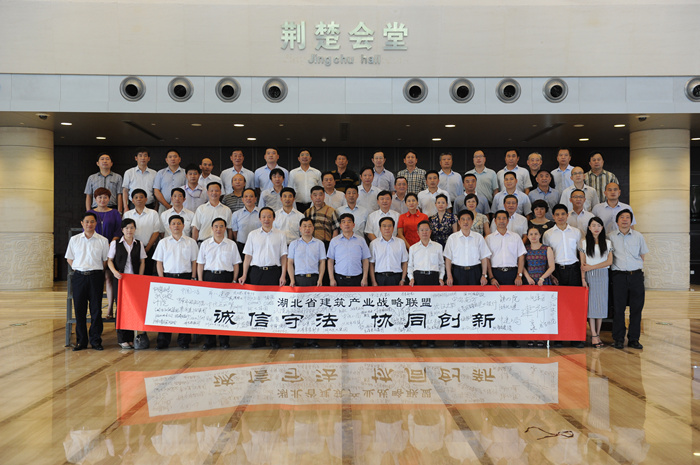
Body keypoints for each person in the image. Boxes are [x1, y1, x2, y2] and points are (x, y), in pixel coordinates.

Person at [238, 207, 288, 348]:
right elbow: (248, 256)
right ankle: (259, 338)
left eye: (269, 216)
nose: (266, 219)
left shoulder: (280, 235)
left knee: (274, 305)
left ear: (274, 218)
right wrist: (244, 274)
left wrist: (283, 275)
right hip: (256, 272)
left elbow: (283, 257)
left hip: (274, 272)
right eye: (264, 217)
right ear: (260, 219)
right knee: (257, 305)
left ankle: (274, 338)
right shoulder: (253, 235)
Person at [443, 210, 490, 347]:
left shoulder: (478, 237)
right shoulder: (452, 238)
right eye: (462, 219)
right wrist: (449, 275)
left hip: (475, 272)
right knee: (459, 305)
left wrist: (484, 275)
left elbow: (484, 258)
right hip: (458, 272)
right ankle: (459, 338)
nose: (465, 222)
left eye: (468, 219)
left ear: (472, 221)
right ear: (459, 222)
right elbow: (448, 259)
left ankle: (475, 338)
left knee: (475, 305)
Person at [153, 215, 199, 349]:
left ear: (183, 226)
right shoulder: (163, 242)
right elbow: (159, 262)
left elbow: (194, 261)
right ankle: (163, 341)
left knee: (185, 310)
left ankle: (184, 341)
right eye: (173, 223)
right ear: (169, 226)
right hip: (168, 278)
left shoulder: (191, 242)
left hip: (186, 277)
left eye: (179, 223)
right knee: (166, 311)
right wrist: (162, 279)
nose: (176, 226)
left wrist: (193, 277)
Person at [65, 211, 109, 351]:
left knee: (96, 310)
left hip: (96, 277)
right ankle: (81, 342)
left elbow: (105, 260)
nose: (89, 224)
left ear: (96, 223)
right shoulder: (75, 240)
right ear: (82, 223)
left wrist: (95, 271)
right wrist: (79, 268)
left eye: (92, 221)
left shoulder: (103, 240)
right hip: (79, 277)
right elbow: (69, 258)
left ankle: (96, 341)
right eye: (87, 222)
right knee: (79, 310)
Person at [197, 217, 242, 350]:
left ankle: (224, 340)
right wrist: (200, 281)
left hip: (225, 277)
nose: (218, 229)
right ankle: (209, 340)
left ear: (225, 228)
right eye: (216, 226)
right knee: (209, 310)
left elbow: (236, 264)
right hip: (209, 277)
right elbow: (200, 264)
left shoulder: (231, 244)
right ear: (212, 228)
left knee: (225, 309)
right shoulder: (205, 244)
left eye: (221, 226)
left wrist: (234, 280)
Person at [327, 213, 371, 347]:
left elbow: (365, 260)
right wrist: (331, 278)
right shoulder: (334, 241)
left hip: (357, 279)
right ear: (340, 225)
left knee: (356, 309)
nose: (346, 224)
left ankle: (357, 339)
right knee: (340, 309)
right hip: (339, 279)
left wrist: (365, 277)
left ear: (354, 225)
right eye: (344, 222)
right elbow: (330, 261)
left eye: (349, 221)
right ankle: (340, 339)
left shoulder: (361, 240)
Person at [485, 210, 527, 347]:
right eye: (499, 218)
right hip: (496, 274)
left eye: (504, 218)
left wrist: (519, 275)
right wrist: (491, 277)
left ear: (508, 221)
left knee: (511, 306)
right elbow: (487, 259)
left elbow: (521, 256)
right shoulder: (489, 238)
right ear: (495, 221)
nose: (502, 221)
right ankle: (495, 338)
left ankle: (512, 338)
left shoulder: (515, 237)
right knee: (495, 307)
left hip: (512, 273)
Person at [543, 204, 583, 348]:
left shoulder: (576, 232)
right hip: (557, 271)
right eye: (557, 214)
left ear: (567, 215)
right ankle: (559, 338)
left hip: (574, 270)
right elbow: (546, 256)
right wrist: (551, 275)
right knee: (558, 306)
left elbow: (581, 253)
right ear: (553, 217)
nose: (560, 217)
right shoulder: (548, 234)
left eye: (563, 214)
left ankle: (575, 338)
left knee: (574, 305)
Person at [608, 210, 648, 350]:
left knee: (636, 308)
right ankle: (618, 339)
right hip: (618, 276)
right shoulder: (610, 237)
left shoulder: (638, 236)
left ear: (631, 221)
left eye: (627, 217)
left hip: (636, 275)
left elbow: (642, 255)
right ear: (617, 221)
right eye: (622, 217)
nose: (625, 220)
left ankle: (634, 339)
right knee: (618, 309)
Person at [287, 217, 327, 348]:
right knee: (298, 309)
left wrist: (320, 278)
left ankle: (313, 340)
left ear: (313, 228)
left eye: (309, 226)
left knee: (313, 310)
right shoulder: (294, 244)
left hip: (314, 279)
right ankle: (298, 340)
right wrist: (292, 279)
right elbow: (290, 262)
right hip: (298, 279)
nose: (307, 228)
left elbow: (322, 262)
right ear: (300, 228)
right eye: (304, 226)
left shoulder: (319, 244)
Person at [107, 218, 146, 349]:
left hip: (134, 280)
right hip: (120, 279)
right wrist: (114, 272)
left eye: (132, 227)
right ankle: (121, 338)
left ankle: (130, 338)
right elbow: (109, 260)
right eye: (127, 228)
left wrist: (140, 276)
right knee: (121, 308)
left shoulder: (139, 244)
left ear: (135, 229)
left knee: (132, 308)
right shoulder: (115, 243)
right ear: (122, 230)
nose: (129, 230)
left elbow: (142, 261)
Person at [407, 220, 445, 348]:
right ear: (418, 232)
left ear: (430, 231)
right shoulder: (413, 248)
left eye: (427, 230)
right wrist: (411, 278)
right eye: (422, 230)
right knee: (418, 309)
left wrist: (441, 277)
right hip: (419, 279)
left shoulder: (438, 246)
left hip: (433, 278)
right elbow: (410, 266)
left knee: (432, 309)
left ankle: (431, 340)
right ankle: (417, 340)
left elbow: (441, 264)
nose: (424, 232)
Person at [579, 217, 613, 349]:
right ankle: (593, 335)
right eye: (593, 225)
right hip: (589, 277)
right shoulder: (584, 243)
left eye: (599, 225)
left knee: (601, 306)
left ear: (602, 227)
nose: (596, 228)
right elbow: (583, 264)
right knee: (591, 307)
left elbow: (609, 262)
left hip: (603, 275)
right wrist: (583, 279)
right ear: (589, 228)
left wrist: (591, 267)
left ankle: (597, 334)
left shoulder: (607, 243)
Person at [88, 187, 122, 318]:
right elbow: (87, 230)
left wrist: (110, 244)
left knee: (109, 278)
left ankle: (110, 308)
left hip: (110, 248)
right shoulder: (90, 212)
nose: (102, 200)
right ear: (95, 199)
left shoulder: (114, 213)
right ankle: (95, 309)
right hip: (94, 249)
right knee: (96, 279)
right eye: (99, 197)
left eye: (105, 197)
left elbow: (118, 230)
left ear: (109, 199)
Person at [522, 226, 555, 347]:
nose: (533, 236)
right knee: (530, 310)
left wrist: (542, 278)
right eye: (531, 234)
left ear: (540, 235)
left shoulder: (547, 249)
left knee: (542, 311)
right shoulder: (525, 249)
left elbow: (552, 267)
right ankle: (531, 336)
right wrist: (528, 278)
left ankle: (542, 336)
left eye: (536, 234)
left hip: (543, 282)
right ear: (528, 236)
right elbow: (522, 265)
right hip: (530, 282)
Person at [122, 188, 162, 275]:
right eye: (136, 197)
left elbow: (156, 232)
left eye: (141, 197)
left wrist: (147, 248)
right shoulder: (127, 214)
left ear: (146, 199)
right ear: (132, 200)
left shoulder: (153, 213)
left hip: (148, 247)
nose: (139, 199)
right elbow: (124, 231)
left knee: (147, 273)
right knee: (132, 273)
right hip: (131, 248)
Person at [370, 217, 408, 286]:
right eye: (384, 226)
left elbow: (404, 262)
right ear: (380, 228)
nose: (387, 228)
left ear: (393, 228)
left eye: (389, 226)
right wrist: (373, 281)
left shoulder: (400, 242)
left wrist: (403, 279)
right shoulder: (374, 243)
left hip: (396, 277)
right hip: (380, 278)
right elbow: (371, 264)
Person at [122, 147, 157, 211]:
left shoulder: (154, 173)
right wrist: (125, 207)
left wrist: (156, 207)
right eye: (140, 155)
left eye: (145, 156)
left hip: (149, 205)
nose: (143, 158)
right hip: (133, 205)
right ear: (136, 158)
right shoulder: (129, 172)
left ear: (148, 158)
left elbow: (156, 191)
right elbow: (125, 191)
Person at [230, 188, 261, 255]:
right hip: (242, 246)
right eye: (246, 196)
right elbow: (235, 232)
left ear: (255, 199)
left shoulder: (262, 213)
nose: (248, 198)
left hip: (259, 245)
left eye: (251, 196)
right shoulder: (236, 214)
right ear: (242, 199)